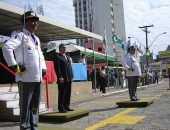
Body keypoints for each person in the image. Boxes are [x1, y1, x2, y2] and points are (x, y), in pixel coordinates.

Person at [2, 11, 46, 130]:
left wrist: (43, 68)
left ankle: (34, 127)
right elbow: (6, 47)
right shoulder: (20, 35)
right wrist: (13, 65)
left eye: (36, 20)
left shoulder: (36, 38)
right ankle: (25, 128)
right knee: (25, 106)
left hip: (37, 78)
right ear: (25, 22)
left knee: (34, 107)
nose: (35, 23)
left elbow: (40, 55)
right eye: (32, 20)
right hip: (25, 77)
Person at [53, 43, 74, 113]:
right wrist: (60, 77)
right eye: (63, 47)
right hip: (62, 78)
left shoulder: (67, 57)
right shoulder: (57, 56)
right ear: (60, 48)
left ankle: (66, 106)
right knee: (62, 93)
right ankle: (61, 107)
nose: (65, 48)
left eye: (65, 47)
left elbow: (70, 68)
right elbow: (57, 68)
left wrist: (72, 76)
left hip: (69, 78)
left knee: (68, 93)